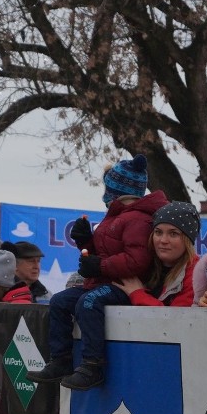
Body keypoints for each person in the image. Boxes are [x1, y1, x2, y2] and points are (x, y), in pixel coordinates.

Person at [26, 154, 168, 389]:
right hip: (103, 282)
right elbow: (104, 252)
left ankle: (93, 365)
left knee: (88, 303)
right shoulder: (115, 218)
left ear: (117, 190)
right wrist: (85, 242)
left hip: (125, 285)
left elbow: (137, 260)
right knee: (60, 301)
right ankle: (60, 359)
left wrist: (99, 266)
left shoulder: (138, 220)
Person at [118, 202, 200, 306]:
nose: (163, 240)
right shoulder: (142, 264)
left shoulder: (197, 274)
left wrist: (138, 294)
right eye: (158, 232)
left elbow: (176, 318)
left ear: (188, 240)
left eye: (173, 234)